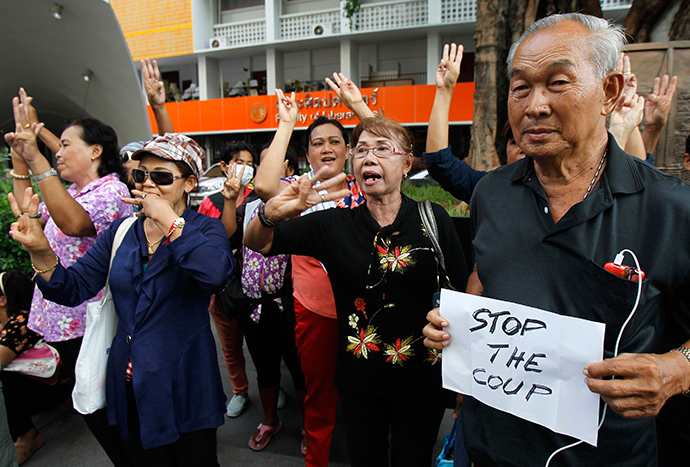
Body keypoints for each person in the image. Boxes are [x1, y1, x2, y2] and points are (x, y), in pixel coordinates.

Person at [423, 13, 690, 466]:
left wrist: (677, 369)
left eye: (557, 83)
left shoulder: (669, 208)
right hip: (491, 450)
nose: (535, 105)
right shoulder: (492, 193)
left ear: (609, 92)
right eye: (521, 87)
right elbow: (487, 283)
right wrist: (452, 329)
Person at [245, 115, 469, 466]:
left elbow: (463, 294)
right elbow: (258, 243)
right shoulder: (334, 225)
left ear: (406, 163)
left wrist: (462, 374)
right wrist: (270, 215)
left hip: (422, 380)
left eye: (382, 149)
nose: (369, 157)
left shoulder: (433, 218)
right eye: (361, 150)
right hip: (359, 382)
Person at [8, 133, 234, 466]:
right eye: (141, 174)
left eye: (162, 177)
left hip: (185, 384)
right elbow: (71, 289)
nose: (148, 183)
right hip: (128, 386)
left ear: (188, 183)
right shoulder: (122, 232)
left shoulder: (205, 229)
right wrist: (41, 252)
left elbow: (215, 275)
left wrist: (169, 221)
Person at [5, 94, 133, 464]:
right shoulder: (73, 191)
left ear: (95, 151)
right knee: (92, 404)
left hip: (90, 320)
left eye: (64, 145)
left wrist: (37, 158)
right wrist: (20, 155)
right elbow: (30, 208)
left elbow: (74, 224)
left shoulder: (112, 190)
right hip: (63, 318)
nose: (57, 153)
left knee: (102, 408)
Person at [253, 92, 365, 466]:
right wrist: (287, 123)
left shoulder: (365, 183)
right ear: (307, 154)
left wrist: (359, 108)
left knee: (365, 395)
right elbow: (263, 187)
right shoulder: (297, 188)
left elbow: (391, 150)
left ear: (348, 150)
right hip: (315, 313)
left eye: (335, 141)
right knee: (318, 396)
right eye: (318, 143)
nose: (327, 148)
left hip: (364, 310)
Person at [197, 142, 256, 418]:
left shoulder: (260, 197)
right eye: (239, 162)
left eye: (250, 164)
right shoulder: (210, 203)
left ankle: (271, 385)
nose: (246, 169)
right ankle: (240, 390)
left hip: (257, 287)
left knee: (262, 344)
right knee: (230, 346)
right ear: (224, 167)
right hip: (223, 290)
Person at [0, 271, 71, 464]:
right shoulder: (8, 324)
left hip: (53, 391)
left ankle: (28, 437)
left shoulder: (21, 322)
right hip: (37, 390)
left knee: (5, 375)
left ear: (2, 300)